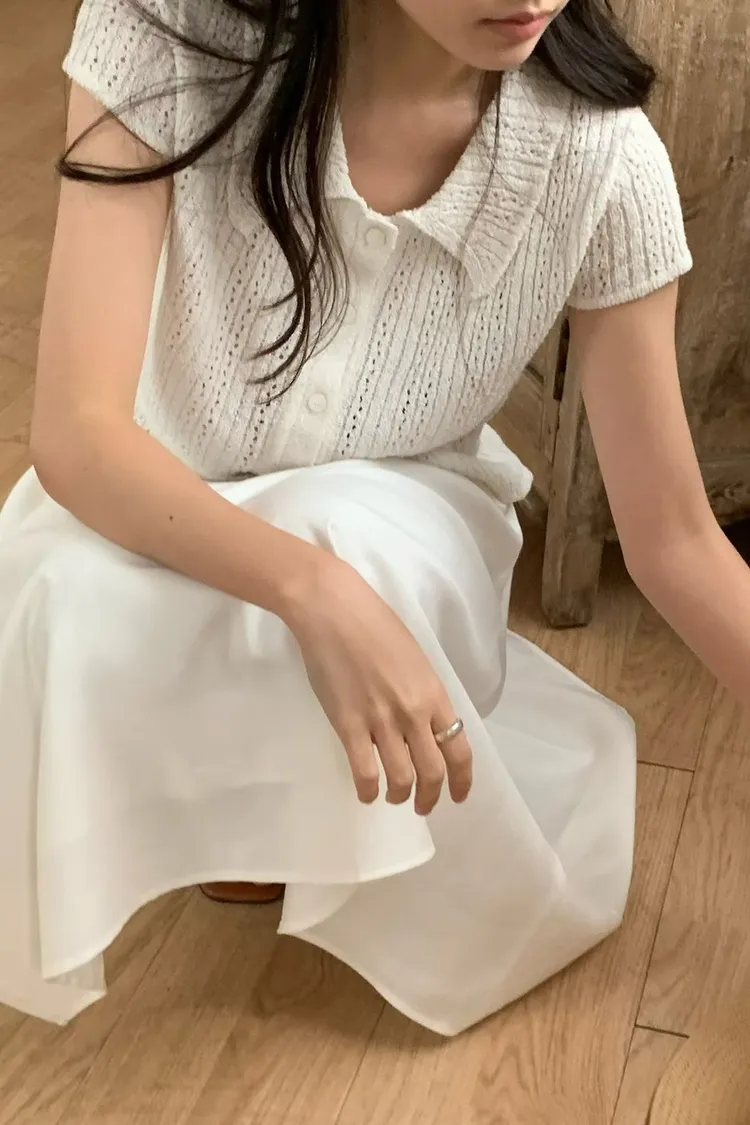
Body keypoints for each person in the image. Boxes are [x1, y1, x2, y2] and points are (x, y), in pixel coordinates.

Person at [0, 0, 748, 1037]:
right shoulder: (164, 30)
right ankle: (246, 789)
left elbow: (676, 541)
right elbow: (79, 434)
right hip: (160, 503)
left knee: (344, 534)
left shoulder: (601, 159)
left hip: (406, 534)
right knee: (61, 594)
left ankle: (291, 786)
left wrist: (338, 579)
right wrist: (316, 594)